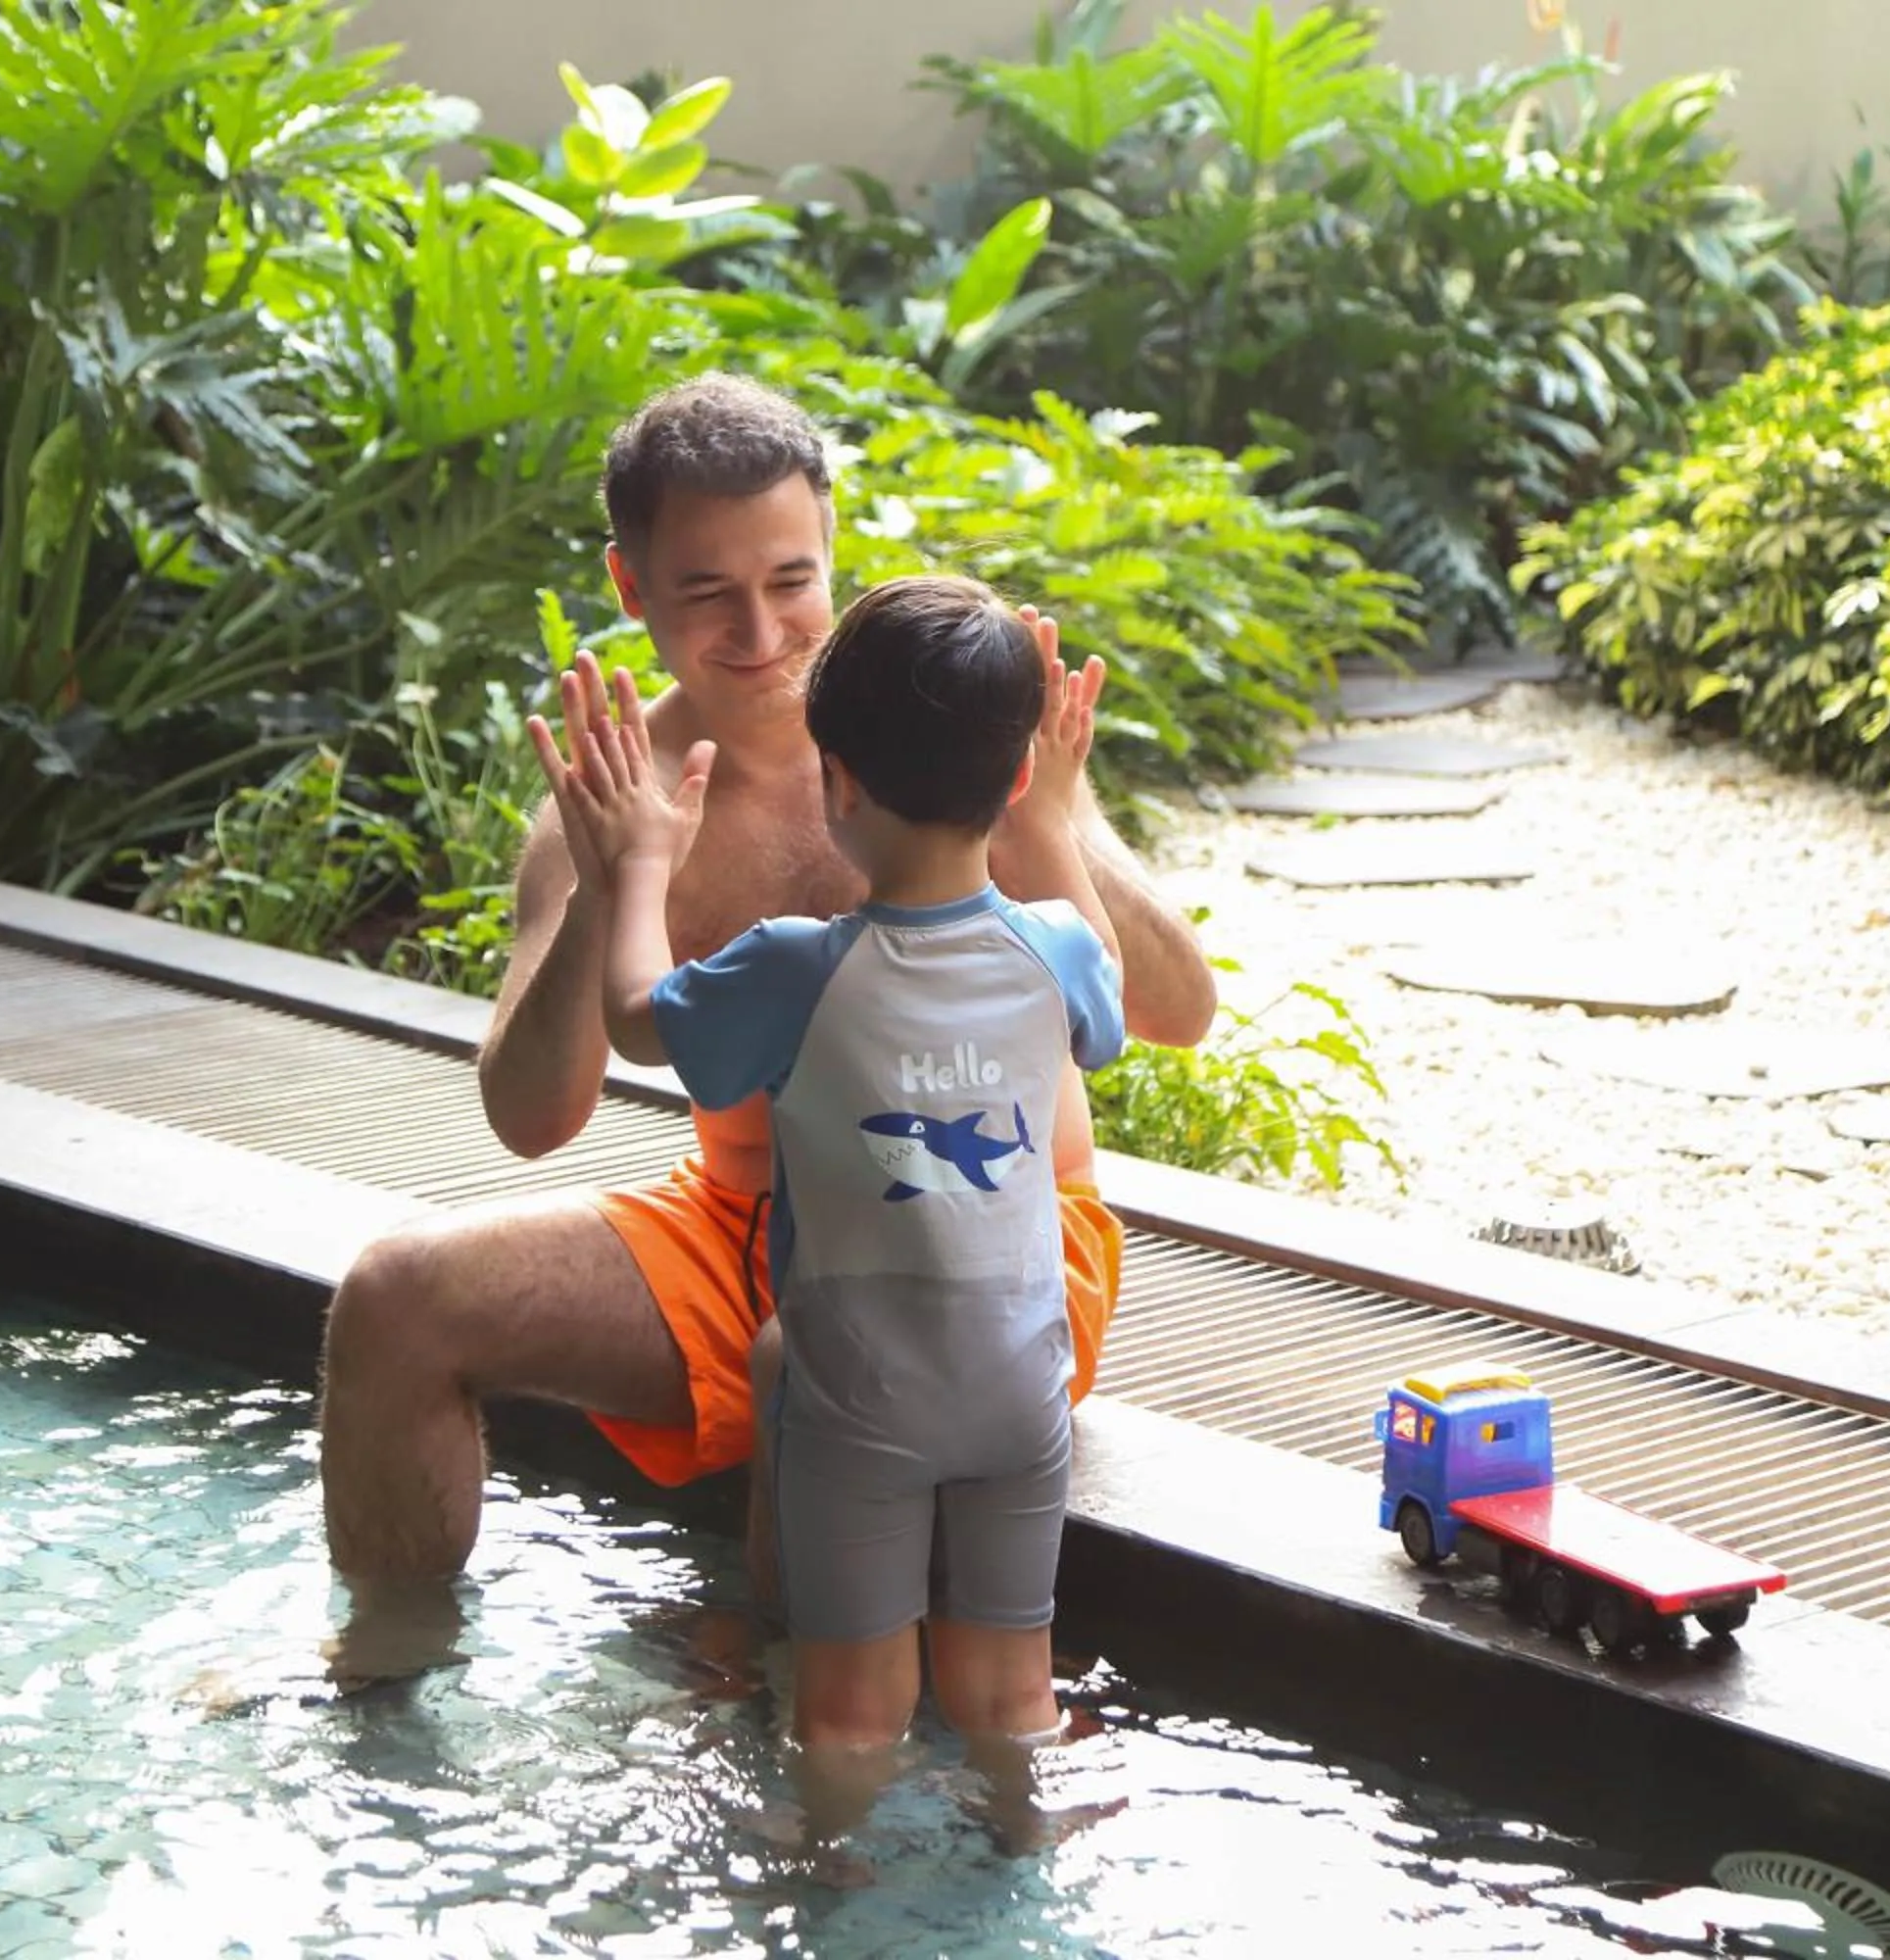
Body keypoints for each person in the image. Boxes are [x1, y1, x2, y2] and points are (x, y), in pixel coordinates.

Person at [315, 372, 1218, 1675]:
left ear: (832, 546)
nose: (762, 633)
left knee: (813, 1360)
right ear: (633, 590)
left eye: (792, 581)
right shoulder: (620, 794)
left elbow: (1177, 1013)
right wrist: (614, 876)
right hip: (746, 1222)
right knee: (396, 1298)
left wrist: (1045, 815)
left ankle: (793, 1738)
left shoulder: (934, 716)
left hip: (996, 1221)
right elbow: (531, 1119)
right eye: (706, 594)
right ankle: (386, 1682)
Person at [533, 571, 1127, 1824]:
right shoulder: (1059, 948)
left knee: (853, 1713)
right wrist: (1062, 817)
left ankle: (837, 1890)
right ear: (1014, 779)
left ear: (837, 781)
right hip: (1023, 1382)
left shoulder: (797, 969)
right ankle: (1024, 1845)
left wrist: (638, 869)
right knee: (1012, 1693)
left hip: (860, 1398)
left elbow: (641, 1021)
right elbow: (1111, 998)